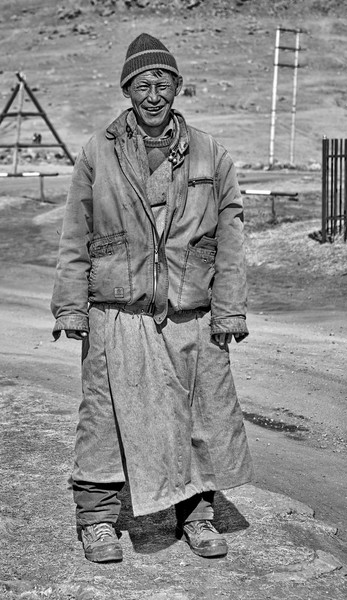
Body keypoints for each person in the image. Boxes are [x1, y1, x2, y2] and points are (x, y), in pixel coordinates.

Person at [51, 32, 253, 564]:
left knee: (197, 415)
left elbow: (232, 240)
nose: (154, 94)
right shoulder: (98, 151)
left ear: (178, 87)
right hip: (116, 311)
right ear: (127, 90)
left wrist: (229, 311)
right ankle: (97, 520)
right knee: (105, 416)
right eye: (143, 84)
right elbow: (75, 233)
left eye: (164, 83)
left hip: (190, 313)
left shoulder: (211, 153)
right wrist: (70, 306)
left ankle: (198, 516)